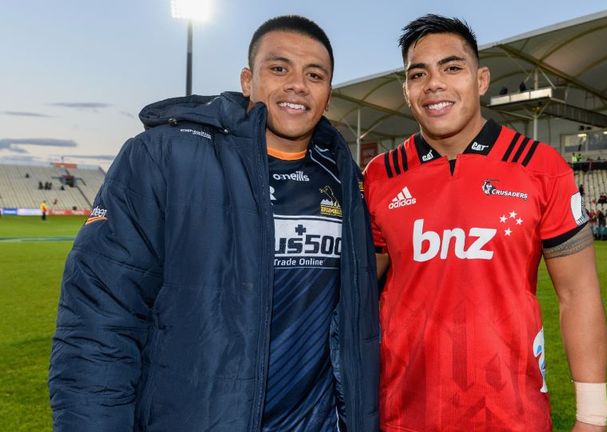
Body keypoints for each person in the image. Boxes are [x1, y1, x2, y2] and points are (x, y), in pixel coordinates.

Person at [49, 16, 379, 432]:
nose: (298, 84)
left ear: (327, 95)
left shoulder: (343, 178)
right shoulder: (164, 157)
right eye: (279, 68)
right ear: (247, 80)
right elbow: (100, 318)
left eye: (314, 75)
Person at [363, 15, 607, 431]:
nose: (434, 84)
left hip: (511, 412)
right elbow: (360, 290)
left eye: (451, 67)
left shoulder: (540, 167)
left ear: (481, 80)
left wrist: (592, 415)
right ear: (406, 90)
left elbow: (578, 293)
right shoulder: (380, 175)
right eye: (418, 74)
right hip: (403, 413)